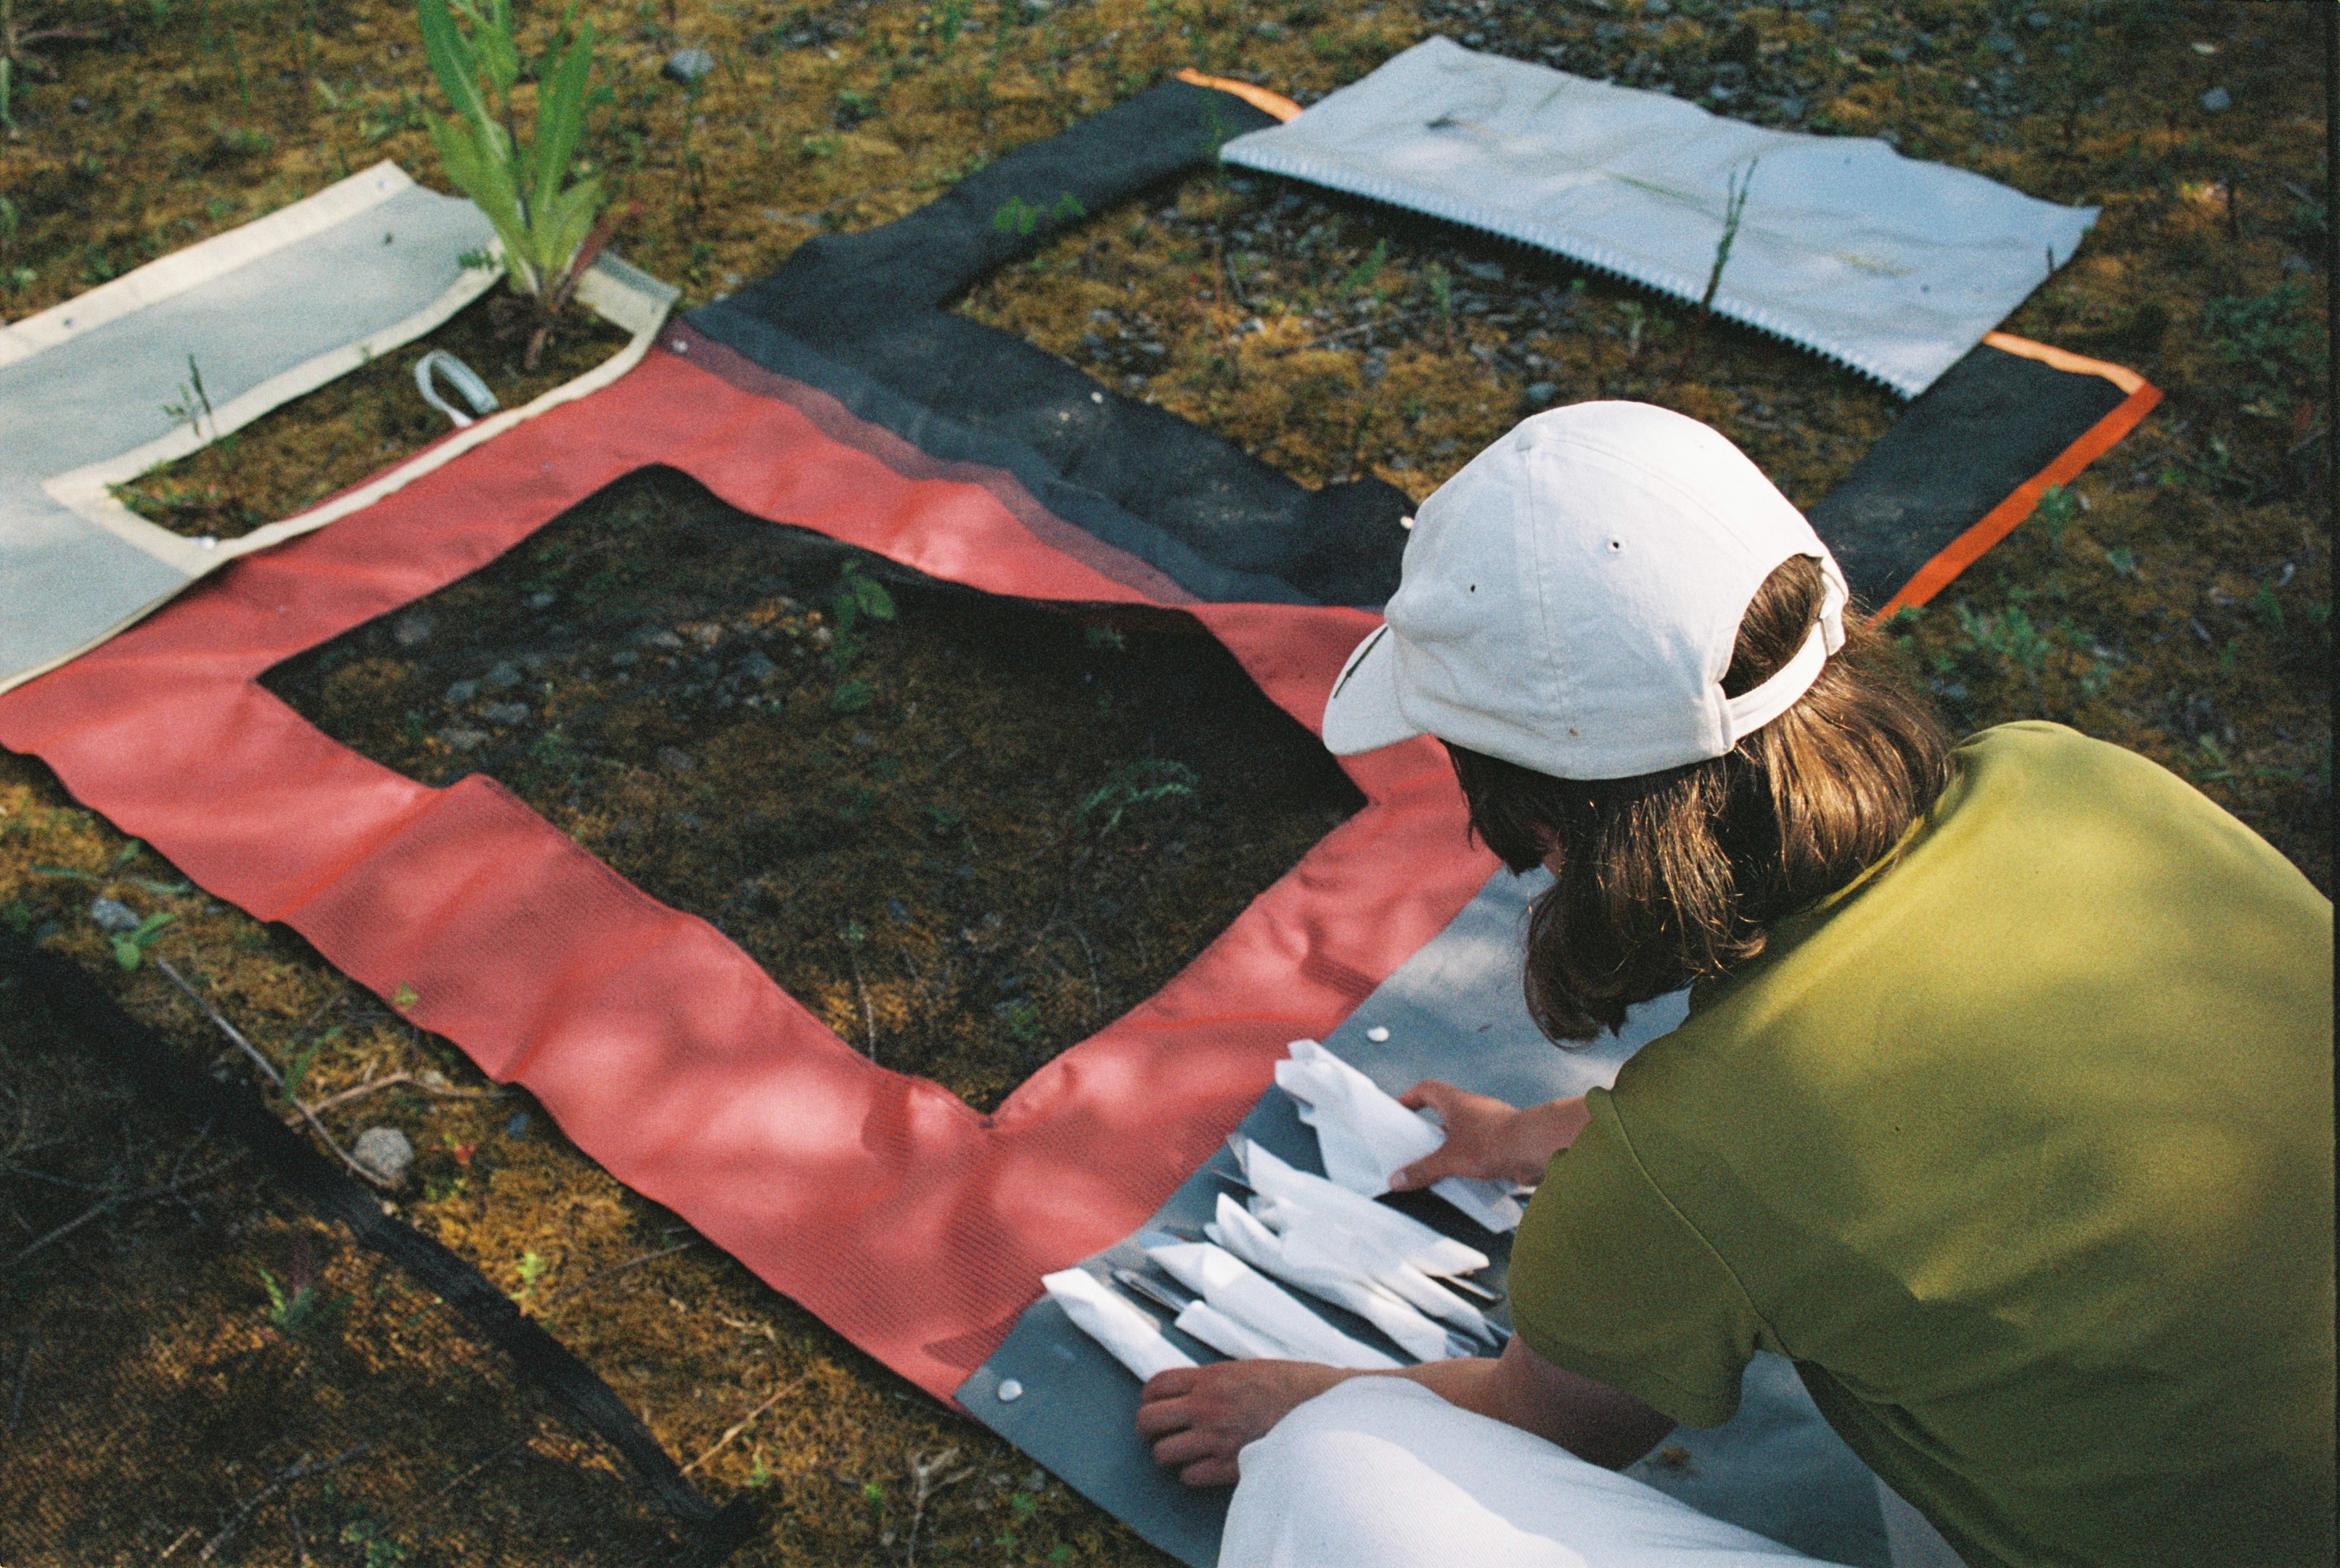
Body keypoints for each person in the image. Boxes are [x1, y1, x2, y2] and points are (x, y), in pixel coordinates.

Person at [1132, 403, 2334, 1568]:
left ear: (1547, 822)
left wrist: (1305, 1403)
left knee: (1344, 1473)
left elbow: (1541, 1422)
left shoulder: (1688, 1165)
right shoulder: (2076, 774)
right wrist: (1543, 1139)